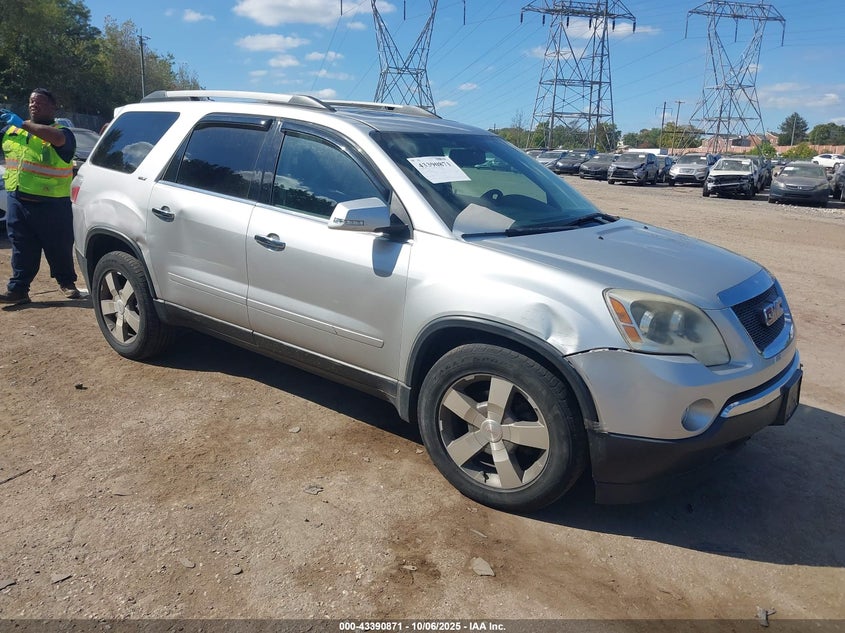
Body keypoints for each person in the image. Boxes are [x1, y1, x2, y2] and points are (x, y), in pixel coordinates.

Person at [0, 88, 80, 305]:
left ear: (54, 107)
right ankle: (18, 289)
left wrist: (21, 123)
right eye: (31, 101)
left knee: (59, 246)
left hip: (51, 203)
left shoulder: (61, 132)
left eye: (41, 102)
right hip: (18, 198)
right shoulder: (12, 131)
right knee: (21, 247)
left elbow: (58, 140)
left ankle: (67, 283)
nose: (34, 104)